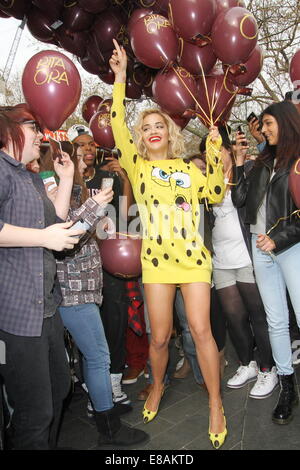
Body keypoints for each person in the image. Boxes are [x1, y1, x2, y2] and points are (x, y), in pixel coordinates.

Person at [110, 39, 227, 449]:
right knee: (159, 338)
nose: (153, 130)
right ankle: (156, 386)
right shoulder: (136, 164)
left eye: (159, 125)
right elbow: (115, 123)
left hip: (194, 260)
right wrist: (121, 77)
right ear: (140, 138)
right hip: (157, 263)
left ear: (169, 132)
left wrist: (215, 154)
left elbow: (213, 193)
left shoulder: (186, 169)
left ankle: (215, 402)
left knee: (201, 331)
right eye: (146, 127)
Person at [49, 142, 148, 447]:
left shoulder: (76, 194)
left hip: (86, 289)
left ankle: (103, 406)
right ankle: (108, 425)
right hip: (73, 293)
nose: (80, 165)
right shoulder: (53, 193)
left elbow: (96, 230)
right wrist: (96, 207)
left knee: (93, 356)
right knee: (98, 356)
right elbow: (65, 234)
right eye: (73, 158)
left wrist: (105, 221)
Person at [0, 104, 84, 449]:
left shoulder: (30, 177)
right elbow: (45, 236)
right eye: (34, 128)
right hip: (17, 315)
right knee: (34, 412)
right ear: (9, 131)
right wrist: (43, 238)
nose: (41, 136)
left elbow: (55, 225)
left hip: (46, 308)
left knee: (58, 391)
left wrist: (66, 179)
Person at [232, 100, 300, 424]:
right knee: (275, 321)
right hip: (261, 250)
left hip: (290, 248)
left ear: (285, 123)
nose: (264, 129)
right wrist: (238, 163)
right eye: (264, 124)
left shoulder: (298, 162)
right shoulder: (262, 160)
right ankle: (288, 387)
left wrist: (279, 238)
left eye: (269, 123)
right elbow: (239, 200)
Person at [66, 124, 136, 406]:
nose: (88, 148)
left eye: (92, 144)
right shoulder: (67, 179)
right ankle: (91, 385)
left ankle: (114, 381)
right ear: (72, 148)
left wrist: (125, 179)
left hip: (110, 257)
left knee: (115, 320)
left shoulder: (108, 176)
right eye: (81, 144)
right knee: (88, 328)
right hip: (79, 264)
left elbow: (126, 213)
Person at [207, 128, 278, 399]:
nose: (212, 155)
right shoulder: (206, 181)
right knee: (234, 318)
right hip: (221, 259)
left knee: (257, 315)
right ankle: (247, 363)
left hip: (248, 255)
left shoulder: (247, 171)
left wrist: (238, 164)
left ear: (227, 149)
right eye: (207, 151)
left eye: (216, 149)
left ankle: (267, 368)